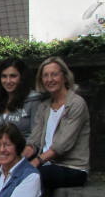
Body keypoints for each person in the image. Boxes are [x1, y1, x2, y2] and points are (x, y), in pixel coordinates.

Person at [23, 57, 89, 189]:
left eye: (54, 74)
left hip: (72, 168)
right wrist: (17, 160)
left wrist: (36, 161)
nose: (49, 79)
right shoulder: (44, 106)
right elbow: (34, 141)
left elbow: (61, 145)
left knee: (31, 176)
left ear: (64, 77)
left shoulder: (76, 103)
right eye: (45, 75)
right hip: (47, 164)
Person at [0, 58, 40, 154]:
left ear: (22, 78)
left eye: (13, 76)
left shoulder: (33, 101)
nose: (8, 81)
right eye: (4, 76)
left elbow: (36, 136)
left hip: (22, 157)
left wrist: (20, 157)